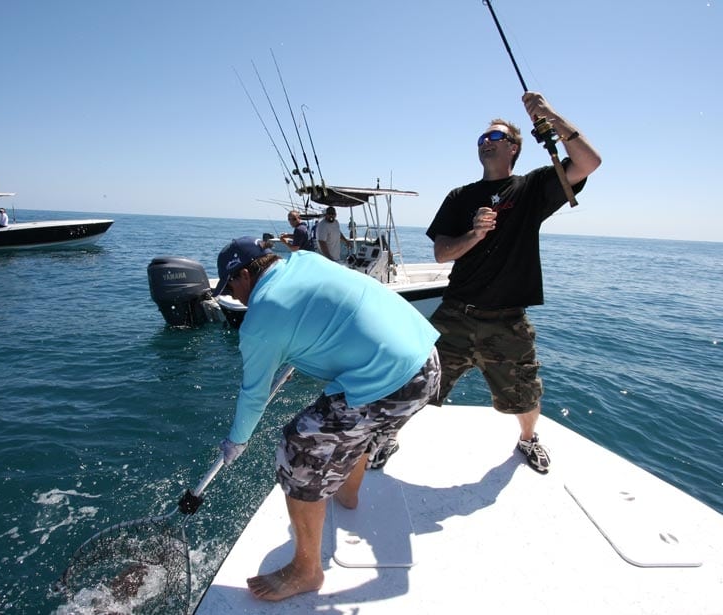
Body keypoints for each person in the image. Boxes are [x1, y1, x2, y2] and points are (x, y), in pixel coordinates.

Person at [212, 236, 440, 601]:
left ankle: (306, 570)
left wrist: (237, 440)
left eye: (232, 286)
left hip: (389, 386)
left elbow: (253, 394)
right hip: (425, 364)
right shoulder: (305, 261)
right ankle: (347, 494)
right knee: (351, 425)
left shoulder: (260, 318)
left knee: (297, 445)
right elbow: (330, 315)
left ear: (244, 274)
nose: (234, 296)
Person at [426, 92, 601, 474]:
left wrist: (552, 117)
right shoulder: (459, 197)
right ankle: (387, 436)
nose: (486, 143)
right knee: (417, 383)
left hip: (507, 319)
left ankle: (528, 439)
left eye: (495, 137)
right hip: (454, 314)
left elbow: (589, 162)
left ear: (514, 148)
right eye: (482, 139)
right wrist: (473, 235)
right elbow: (442, 253)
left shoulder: (532, 188)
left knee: (523, 395)